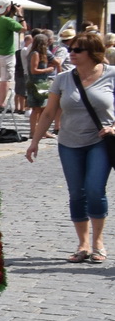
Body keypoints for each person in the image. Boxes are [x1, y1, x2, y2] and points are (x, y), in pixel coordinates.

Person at [25, 31, 115, 262]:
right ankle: (83, 244)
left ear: (93, 53)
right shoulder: (63, 78)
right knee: (77, 193)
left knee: (95, 189)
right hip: (69, 143)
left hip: (100, 141)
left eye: (77, 50)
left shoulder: (111, 75)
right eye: (71, 49)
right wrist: (34, 141)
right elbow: (48, 113)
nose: (71, 53)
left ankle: (98, 242)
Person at [0, 2, 22, 114]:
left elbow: (5, 22)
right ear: (8, 8)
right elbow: (23, 29)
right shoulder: (8, 21)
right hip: (6, 53)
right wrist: (20, 14)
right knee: (5, 78)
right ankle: (1, 103)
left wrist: (10, 13)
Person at [26, 28, 61, 140]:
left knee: (43, 108)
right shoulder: (35, 53)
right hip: (36, 83)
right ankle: (33, 131)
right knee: (36, 109)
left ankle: (43, 131)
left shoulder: (42, 54)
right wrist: (48, 69)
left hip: (42, 83)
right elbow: (33, 70)